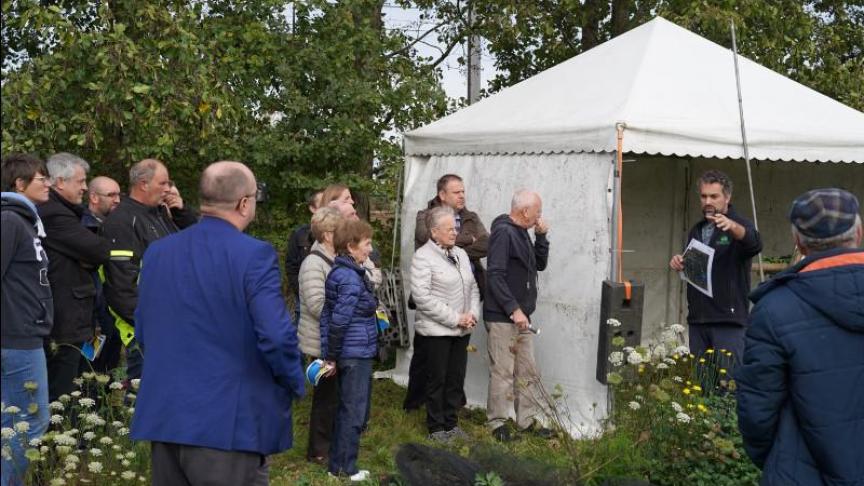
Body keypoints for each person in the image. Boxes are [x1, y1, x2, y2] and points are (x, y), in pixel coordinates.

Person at [130, 161, 306, 486]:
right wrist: (293, 381)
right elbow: (276, 336)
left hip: (167, 413)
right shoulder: (254, 255)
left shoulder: (158, 252)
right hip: (226, 423)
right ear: (244, 203)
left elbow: (143, 326)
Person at [736, 188, 863, 486]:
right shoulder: (776, 307)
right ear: (858, 232)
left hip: (800, 471)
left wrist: (778, 459)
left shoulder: (774, 308)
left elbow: (757, 411)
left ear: (798, 241)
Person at [100, 159, 196, 380]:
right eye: (163, 183)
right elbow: (121, 287)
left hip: (173, 325)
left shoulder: (160, 214)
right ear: (143, 184)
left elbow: (199, 244)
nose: (168, 189)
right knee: (146, 404)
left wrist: (181, 212)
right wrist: (151, 326)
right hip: (148, 333)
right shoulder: (122, 221)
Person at [405, 173, 489, 411]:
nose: (462, 195)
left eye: (463, 191)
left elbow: (486, 244)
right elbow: (424, 238)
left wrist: (457, 248)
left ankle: (453, 403)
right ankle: (415, 402)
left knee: (455, 360)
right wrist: (467, 240)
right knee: (426, 358)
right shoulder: (426, 216)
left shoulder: (470, 217)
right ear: (442, 195)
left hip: (465, 289)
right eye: (456, 192)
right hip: (436, 295)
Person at [669, 170, 762, 364]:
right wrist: (680, 262)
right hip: (698, 319)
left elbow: (755, 243)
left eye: (714, 196)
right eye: (703, 196)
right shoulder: (697, 229)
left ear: (727, 197)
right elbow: (697, 265)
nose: (707, 201)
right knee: (702, 386)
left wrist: (734, 227)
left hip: (728, 321)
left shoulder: (740, 225)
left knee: (728, 387)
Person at [38, 153, 111, 400]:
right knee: (63, 391)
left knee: (75, 386)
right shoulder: (53, 213)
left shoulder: (68, 212)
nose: (84, 187)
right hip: (64, 320)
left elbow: (93, 251)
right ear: (59, 182)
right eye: (80, 181)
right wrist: (87, 254)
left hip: (76, 317)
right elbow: (100, 250)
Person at [1, 153, 53, 486]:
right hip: (15, 338)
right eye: (41, 178)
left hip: (22, 335)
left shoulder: (23, 221)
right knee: (31, 423)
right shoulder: (8, 220)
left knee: (13, 423)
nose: (48, 183)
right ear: (20, 184)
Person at [483, 190, 551, 442]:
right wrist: (514, 309)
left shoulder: (522, 233)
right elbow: (495, 274)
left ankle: (527, 422)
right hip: (503, 316)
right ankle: (498, 424)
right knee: (502, 371)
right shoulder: (503, 232)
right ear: (525, 211)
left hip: (522, 317)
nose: (539, 217)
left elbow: (539, 265)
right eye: (537, 212)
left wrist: (541, 237)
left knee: (527, 370)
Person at [410, 206, 480, 441]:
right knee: (436, 380)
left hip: (462, 330)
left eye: (456, 227)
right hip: (436, 331)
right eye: (449, 229)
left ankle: (452, 423)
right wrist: (455, 318)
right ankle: (436, 428)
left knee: (455, 379)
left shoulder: (460, 253)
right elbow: (422, 297)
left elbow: (473, 286)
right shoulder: (423, 257)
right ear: (434, 232)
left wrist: (472, 314)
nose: (454, 232)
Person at [319, 218, 378, 482]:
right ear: (351, 246)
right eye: (366, 243)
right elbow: (339, 321)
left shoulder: (344, 272)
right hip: (354, 353)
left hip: (351, 351)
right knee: (353, 411)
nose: (370, 248)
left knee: (347, 409)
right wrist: (331, 355)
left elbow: (327, 316)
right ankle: (345, 468)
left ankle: (337, 465)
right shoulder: (351, 279)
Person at [297, 205, 342, 463]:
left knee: (334, 396)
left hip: (334, 337)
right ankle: (318, 450)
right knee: (325, 398)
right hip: (321, 342)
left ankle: (331, 443)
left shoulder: (337, 258)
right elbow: (316, 304)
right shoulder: (314, 263)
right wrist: (348, 312)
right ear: (327, 234)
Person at [81, 176, 122, 373]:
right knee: (89, 375)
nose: (117, 200)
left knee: (109, 376)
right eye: (111, 195)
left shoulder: (118, 228)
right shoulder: (82, 229)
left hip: (115, 316)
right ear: (94, 197)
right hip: (93, 318)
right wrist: (94, 321)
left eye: (119, 195)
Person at [286, 190, 324, 321]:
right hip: (303, 302)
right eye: (322, 203)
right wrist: (302, 292)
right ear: (312, 208)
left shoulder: (339, 234)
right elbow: (291, 267)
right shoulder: (299, 235)